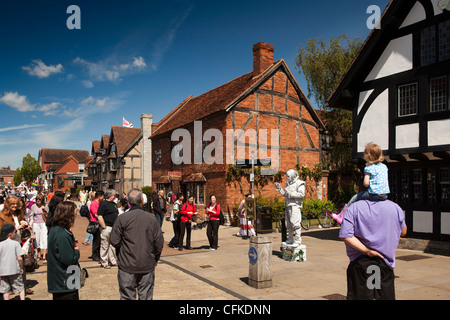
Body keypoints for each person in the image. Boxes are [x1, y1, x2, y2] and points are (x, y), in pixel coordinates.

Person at [339, 198, 407, 300]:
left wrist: (367, 250)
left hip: (360, 262)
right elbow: (403, 231)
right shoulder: (395, 207)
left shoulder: (354, 207)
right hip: (384, 262)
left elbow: (345, 235)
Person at [110, 189, 164, 300]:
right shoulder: (151, 219)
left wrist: (124, 250)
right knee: (145, 297)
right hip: (144, 263)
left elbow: (114, 240)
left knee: (127, 297)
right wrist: (155, 259)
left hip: (128, 264)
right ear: (142, 201)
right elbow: (158, 243)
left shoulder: (122, 218)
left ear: (128, 202)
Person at [332, 143, 390, 224]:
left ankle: (341, 216)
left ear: (368, 156)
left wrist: (370, 182)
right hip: (384, 195)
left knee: (354, 198)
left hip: (374, 194)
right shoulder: (384, 167)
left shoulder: (368, 168)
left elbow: (365, 183)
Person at [47, 201, 80, 300]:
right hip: (65, 283)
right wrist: (76, 251)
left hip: (61, 281)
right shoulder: (61, 233)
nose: (76, 214)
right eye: (74, 212)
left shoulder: (56, 229)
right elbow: (68, 259)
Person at [0, 224, 25, 300]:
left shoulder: (0, 244)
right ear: (10, 234)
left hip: (3, 271)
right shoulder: (16, 243)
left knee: (5, 289)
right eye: (14, 232)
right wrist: (21, 267)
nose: (15, 234)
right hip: (14, 269)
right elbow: (19, 258)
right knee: (20, 287)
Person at [97, 189, 118, 269]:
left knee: (113, 246)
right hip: (107, 227)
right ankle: (104, 262)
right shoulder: (103, 204)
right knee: (104, 245)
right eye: (114, 195)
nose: (115, 196)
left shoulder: (114, 204)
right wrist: (104, 227)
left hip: (114, 227)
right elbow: (100, 216)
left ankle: (113, 260)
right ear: (110, 195)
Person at [30, 194, 48, 263]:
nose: (38, 201)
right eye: (37, 199)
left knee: (44, 238)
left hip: (43, 223)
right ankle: (38, 255)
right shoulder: (33, 206)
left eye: (39, 199)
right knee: (37, 239)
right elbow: (31, 216)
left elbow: (48, 215)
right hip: (36, 224)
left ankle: (44, 256)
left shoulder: (45, 205)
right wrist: (31, 225)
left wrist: (44, 209)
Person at [89, 190, 104, 262]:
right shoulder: (94, 204)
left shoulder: (100, 203)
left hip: (100, 223)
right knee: (96, 240)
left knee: (100, 240)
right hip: (95, 224)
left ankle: (98, 254)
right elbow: (96, 214)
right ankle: (95, 255)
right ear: (99, 196)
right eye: (102, 196)